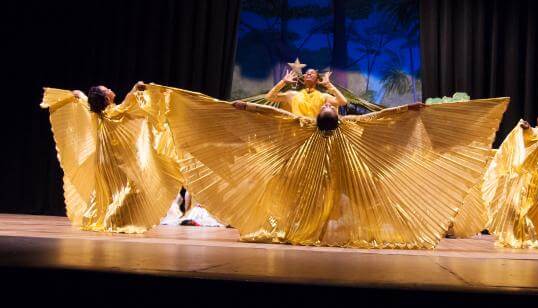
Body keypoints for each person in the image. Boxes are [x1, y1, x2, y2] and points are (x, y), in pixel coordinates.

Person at [149, 82, 509, 249]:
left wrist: (410, 110)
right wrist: (245, 108)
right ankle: (315, 228)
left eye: (328, 111)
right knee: (315, 204)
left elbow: (383, 118)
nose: (328, 111)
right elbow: (270, 112)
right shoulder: (309, 125)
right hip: (310, 174)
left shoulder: (329, 125)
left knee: (337, 204)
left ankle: (319, 228)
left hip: (335, 174)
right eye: (328, 111)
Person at [41, 81, 183, 233]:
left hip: (102, 161)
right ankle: (116, 220)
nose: (110, 89)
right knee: (129, 187)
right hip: (115, 162)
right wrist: (136, 87)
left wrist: (75, 94)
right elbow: (129, 100)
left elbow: (79, 95)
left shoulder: (96, 112)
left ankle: (98, 218)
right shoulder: (114, 113)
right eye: (106, 90)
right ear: (106, 98)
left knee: (107, 191)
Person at [483, 113, 538, 248]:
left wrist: (525, 127)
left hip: (532, 181)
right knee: (530, 211)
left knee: (519, 208)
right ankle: (528, 236)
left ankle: (523, 238)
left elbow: (529, 133)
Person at [263, 68, 348, 117]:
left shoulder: (324, 97)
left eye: (312, 73)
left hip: (316, 135)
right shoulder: (292, 95)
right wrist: (283, 82)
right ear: (303, 80)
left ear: (318, 80)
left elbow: (342, 102)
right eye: (307, 73)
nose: (309, 74)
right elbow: (269, 97)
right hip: (297, 135)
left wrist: (329, 85)